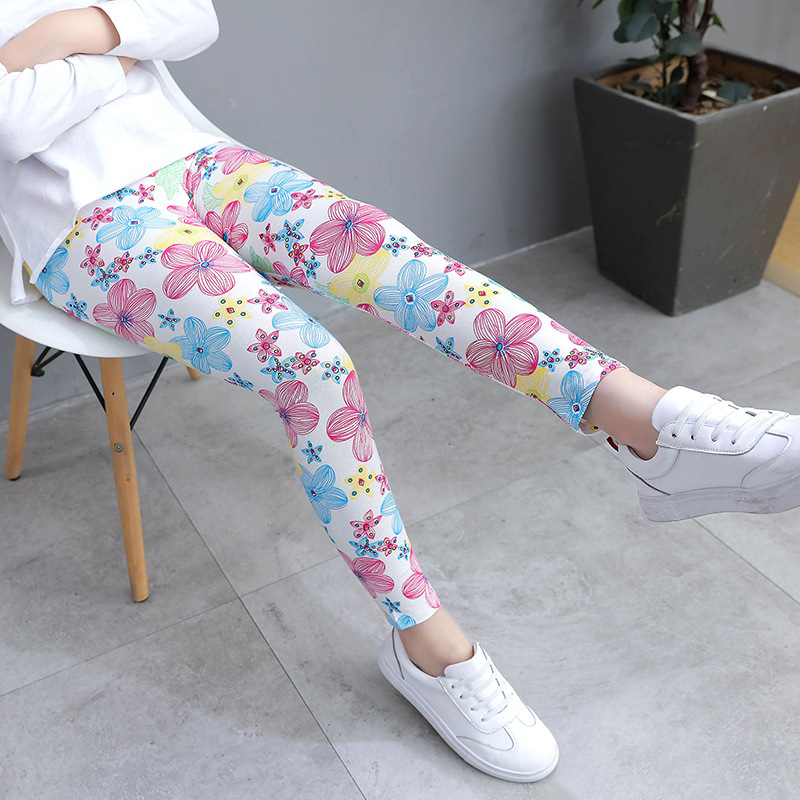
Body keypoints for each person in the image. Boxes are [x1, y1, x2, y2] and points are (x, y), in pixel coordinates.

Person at [2, 0, 799, 784]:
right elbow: (12, 125)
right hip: (85, 228)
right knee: (310, 367)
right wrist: (115, 47)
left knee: (399, 261)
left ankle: (653, 427)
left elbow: (190, 18)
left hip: (198, 160)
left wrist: (58, 39)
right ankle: (427, 644)